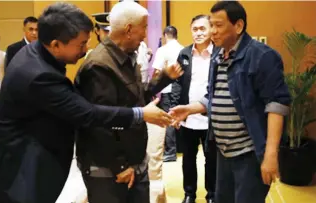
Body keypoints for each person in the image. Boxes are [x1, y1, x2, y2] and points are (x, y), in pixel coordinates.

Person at [0, 3, 173, 203]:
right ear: (56, 44)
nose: (86, 49)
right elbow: (88, 113)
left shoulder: (39, 53)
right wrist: (140, 114)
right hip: (17, 168)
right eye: (81, 44)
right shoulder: (39, 74)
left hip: (29, 159)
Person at [170, 1, 291, 203]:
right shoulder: (218, 54)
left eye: (218, 25)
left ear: (238, 26)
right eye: (211, 25)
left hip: (249, 154)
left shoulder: (262, 56)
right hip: (222, 150)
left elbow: (277, 105)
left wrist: (270, 154)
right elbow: (214, 95)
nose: (212, 32)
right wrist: (190, 109)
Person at [74, 1, 183, 203]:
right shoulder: (99, 65)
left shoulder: (126, 57)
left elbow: (137, 95)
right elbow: (98, 122)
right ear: (129, 30)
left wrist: (165, 77)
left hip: (133, 162)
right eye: (144, 27)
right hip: (111, 170)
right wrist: (120, 166)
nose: (145, 34)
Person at [171, 15, 216, 203]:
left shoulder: (219, 53)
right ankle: (189, 194)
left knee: (211, 159)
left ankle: (212, 194)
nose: (198, 33)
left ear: (211, 29)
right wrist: (176, 111)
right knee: (188, 159)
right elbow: (177, 84)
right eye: (195, 29)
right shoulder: (184, 53)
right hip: (187, 117)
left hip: (211, 118)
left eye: (202, 29)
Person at [153, 25, 183, 163]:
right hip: (181, 88)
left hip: (167, 88)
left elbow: (158, 71)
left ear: (165, 35)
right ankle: (178, 148)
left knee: (168, 117)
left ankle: (170, 151)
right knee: (179, 116)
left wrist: (153, 88)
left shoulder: (162, 50)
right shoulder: (183, 49)